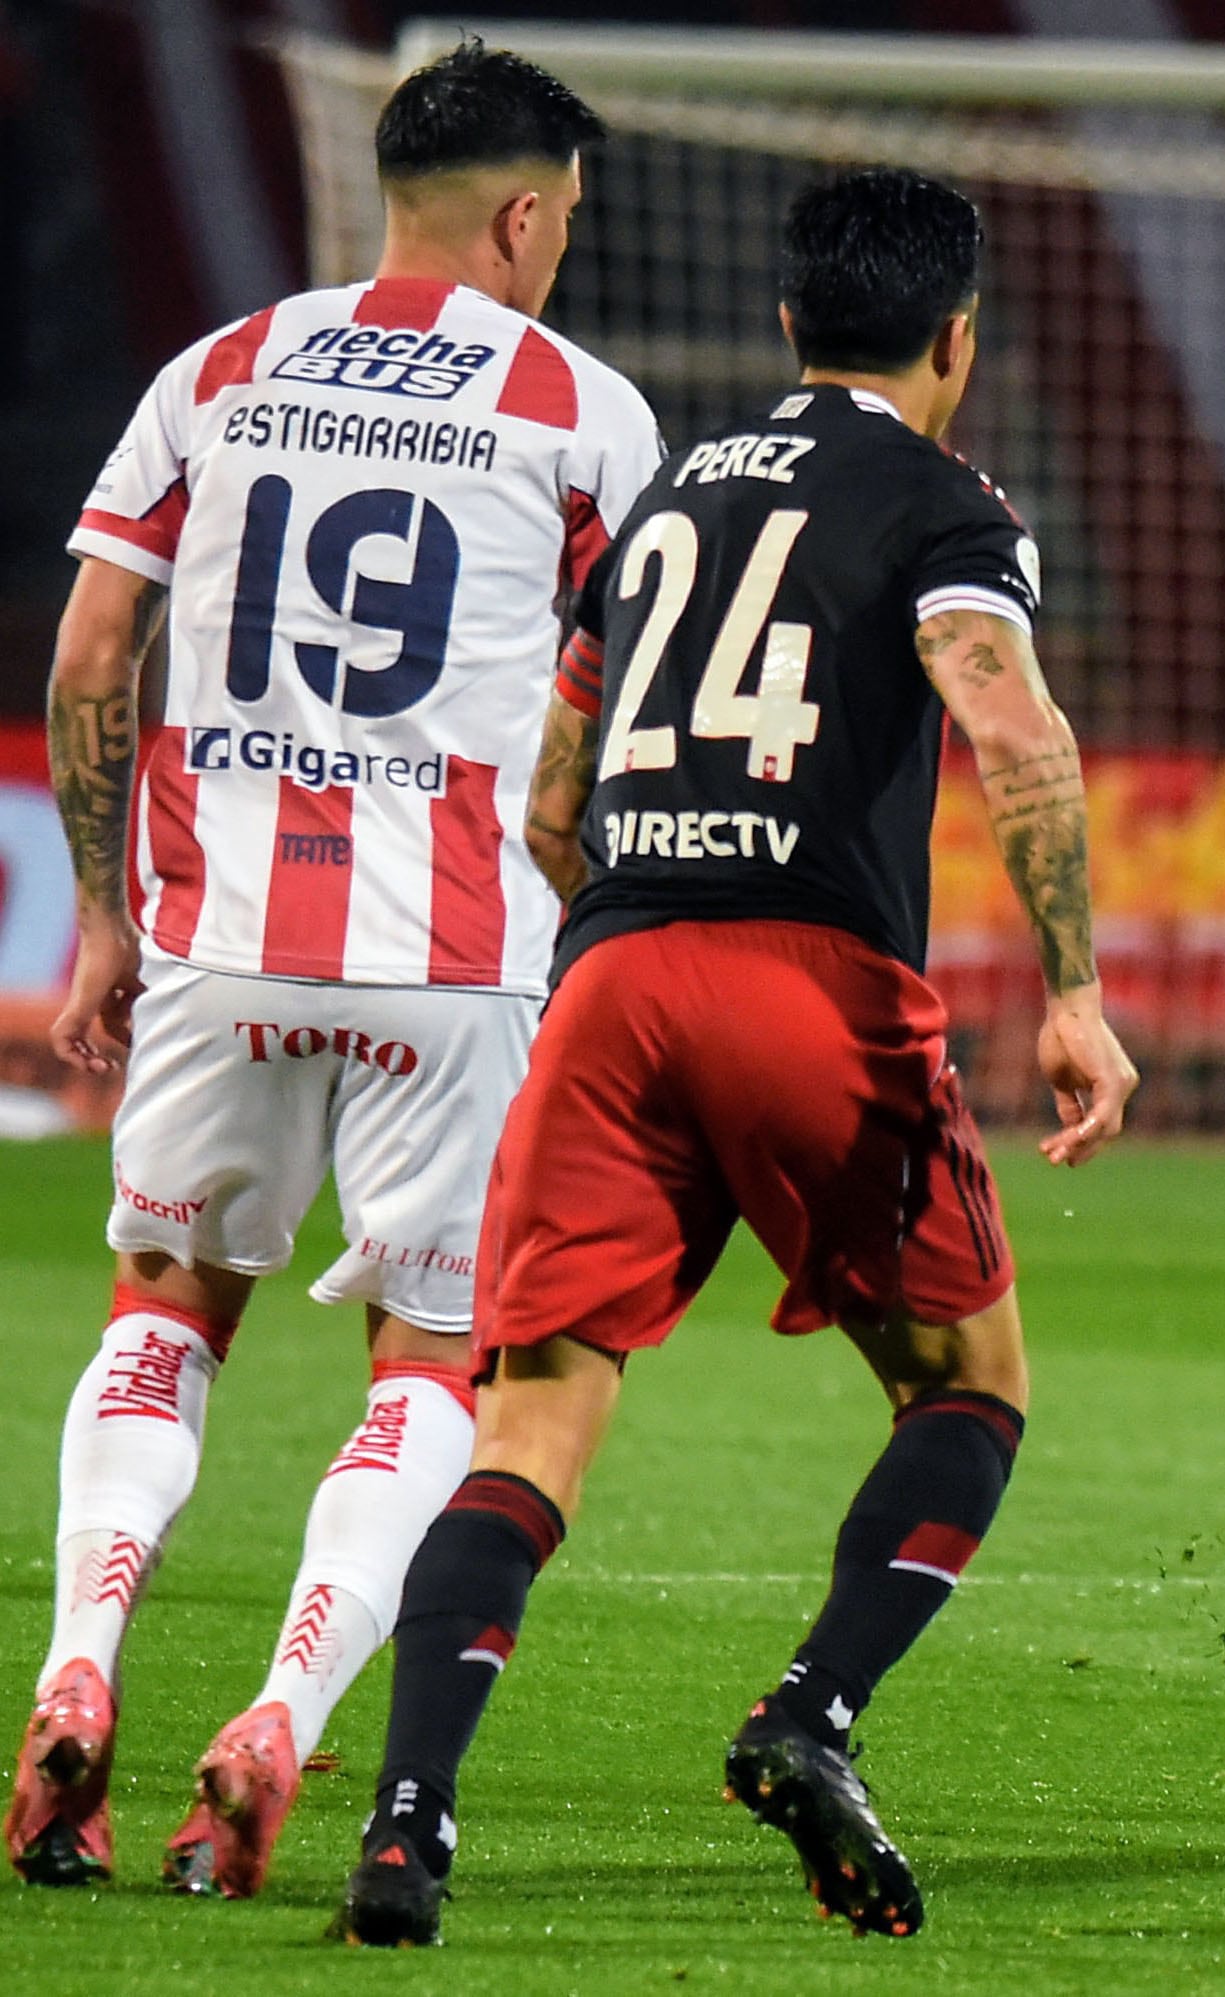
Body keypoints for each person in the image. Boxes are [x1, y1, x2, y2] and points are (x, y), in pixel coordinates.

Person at [331, 165, 1136, 1949]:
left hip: (613, 970)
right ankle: (811, 1710)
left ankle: (404, 1824)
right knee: (969, 1388)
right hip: (810, 982)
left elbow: (551, 800)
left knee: (530, 1418)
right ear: (958, 339)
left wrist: (650, 912)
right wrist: (1072, 988)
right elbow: (1011, 727)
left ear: (786, 326)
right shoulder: (945, 504)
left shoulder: (667, 496)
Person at [9, 41, 656, 1898]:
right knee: (437, 1356)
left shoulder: (217, 369)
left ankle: (85, 1658)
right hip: (456, 960)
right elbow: (615, 702)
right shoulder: (586, 412)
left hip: (222, 937)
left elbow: (87, 659)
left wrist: (105, 914)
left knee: (164, 1305)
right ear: (528, 216)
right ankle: (288, 1700)